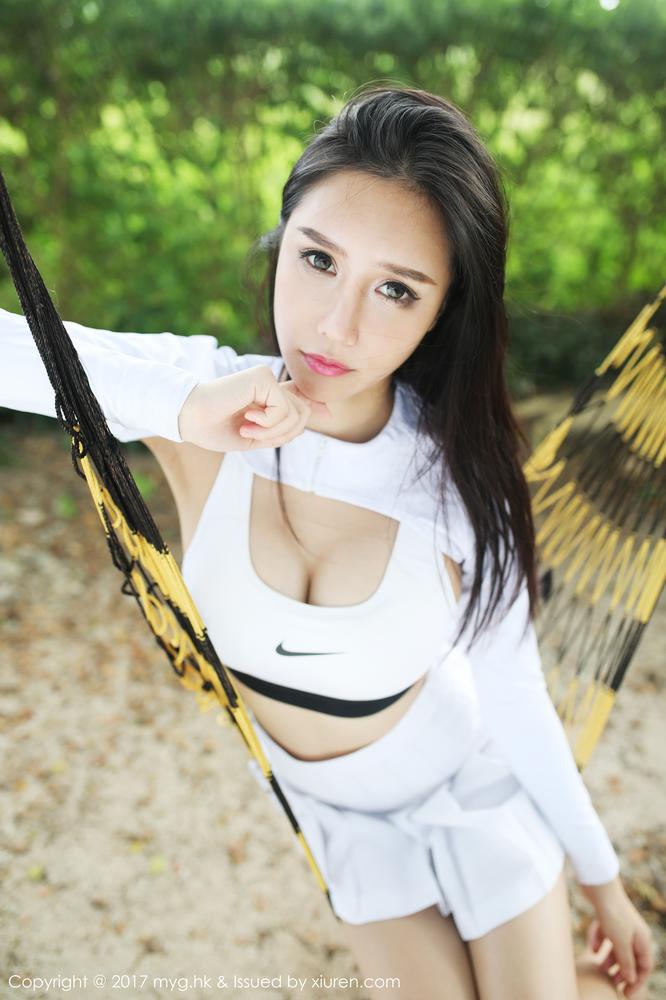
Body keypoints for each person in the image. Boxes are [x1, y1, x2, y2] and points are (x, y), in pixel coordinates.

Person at [1, 85, 655, 999]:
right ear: (282, 244)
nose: (336, 326)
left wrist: (603, 882)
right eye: (318, 259)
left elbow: (515, 697)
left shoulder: (457, 481)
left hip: (474, 788)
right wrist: (181, 407)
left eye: (396, 290)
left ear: (441, 312)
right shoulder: (197, 397)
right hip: (341, 824)